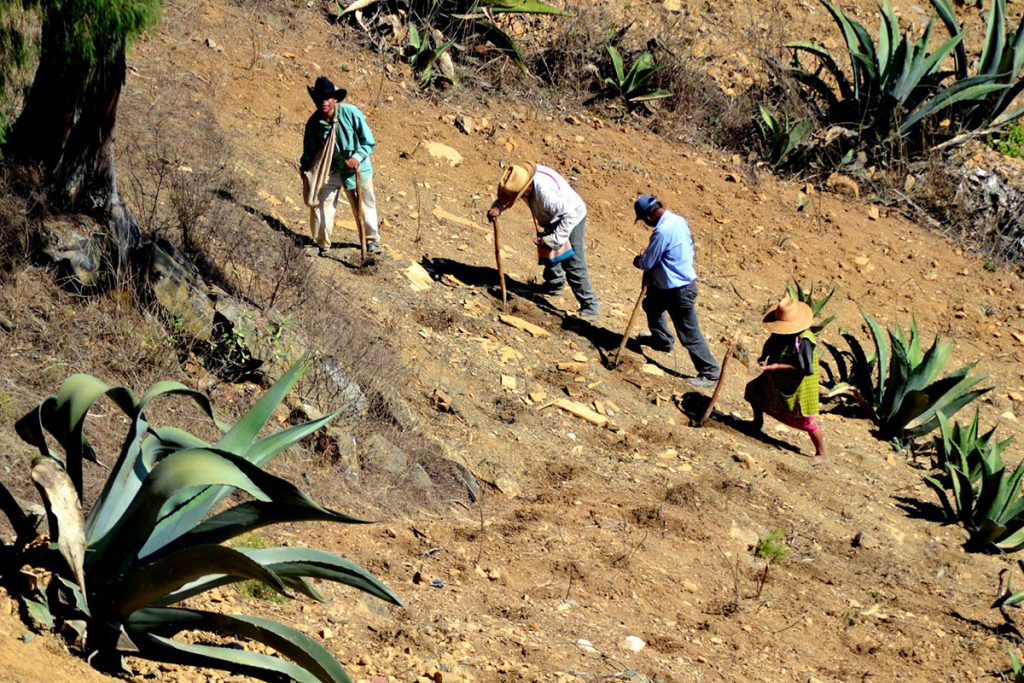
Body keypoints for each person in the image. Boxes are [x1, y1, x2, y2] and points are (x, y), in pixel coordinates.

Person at [486, 162, 600, 321]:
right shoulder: (519, 178)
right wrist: (497, 207)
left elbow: (570, 215)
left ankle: (590, 306)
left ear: (528, 189)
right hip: (551, 215)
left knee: (573, 261)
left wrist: (554, 240)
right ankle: (554, 284)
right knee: (547, 250)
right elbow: (506, 197)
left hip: (572, 215)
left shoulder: (546, 195)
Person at [631, 194, 720, 388]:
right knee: (651, 306)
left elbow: (648, 262)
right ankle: (662, 341)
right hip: (667, 286)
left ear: (648, 216)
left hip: (679, 290)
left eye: (644, 221)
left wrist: (638, 260)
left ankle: (710, 372)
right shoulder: (679, 220)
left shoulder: (662, 231)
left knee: (689, 335)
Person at [299, 76, 381, 257]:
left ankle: (371, 241)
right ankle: (321, 243)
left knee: (364, 205)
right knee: (321, 205)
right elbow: (309, 152)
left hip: (356, 169)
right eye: (320, 99)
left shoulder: (350, 113)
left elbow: (368, 142)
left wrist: (357, 157)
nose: (324, 102)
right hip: (330, 169)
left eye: (328, 98)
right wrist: (305, 170)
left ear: (335, 99)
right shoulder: (314, 124)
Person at [744, 297, 827, 464]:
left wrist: (776, 367)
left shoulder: (804, 341)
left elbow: (805, 369)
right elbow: (770, 343)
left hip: (798, 384)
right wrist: (764, 356)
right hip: (776, 379)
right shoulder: (779, 333)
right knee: (753, 391)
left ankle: (822, 453)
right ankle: (756, 423)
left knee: (806, 420)